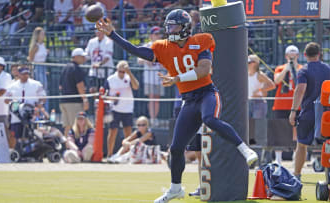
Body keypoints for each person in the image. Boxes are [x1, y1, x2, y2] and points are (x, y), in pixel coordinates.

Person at [96, 9, 258, 202]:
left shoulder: (201, 41)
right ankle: (175, 189)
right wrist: (113, 35)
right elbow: (137, 50)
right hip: (189, 100)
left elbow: (203, 69)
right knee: (175, 148)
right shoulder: (163, 47)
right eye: (169, 26)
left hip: (207, 93)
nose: (170, 29)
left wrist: (177, 78)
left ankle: (244, 149)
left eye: (174, 26)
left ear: (185, 28)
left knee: (209, 119)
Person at [289, 42, 330, 181]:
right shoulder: (328, 68)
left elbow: (300, 90)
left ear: (304, 55)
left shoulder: (303, 70)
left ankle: (297, 175)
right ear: (319, 54)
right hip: (326, 112)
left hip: (309, 111)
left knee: (301, 145)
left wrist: (293, 110)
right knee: (329, 144)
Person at [272, 45, 303, 165]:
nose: (292, 57)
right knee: (280, 131)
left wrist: (295, 67)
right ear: (286, 56)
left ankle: (297, 155)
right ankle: (278, 158)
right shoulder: (280, 68)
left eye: (294, 55)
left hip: (296, 105)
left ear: (298, 56)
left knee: (297, 131)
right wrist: (286, 69)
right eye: (290, 55)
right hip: (281, 104)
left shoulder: (301, 68)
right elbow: (277, 81)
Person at [104, 60, 139, 161]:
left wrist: (129, 73)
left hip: (128, 109)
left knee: (128, 134)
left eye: (124, 72)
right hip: (114, 109)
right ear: (117, 70)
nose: (122, 74)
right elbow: (105, 95)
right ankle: (109, 155)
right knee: (112, 132)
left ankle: (127, 155)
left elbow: (136, 86)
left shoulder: (128, 78)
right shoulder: (111, 79)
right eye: (120, 71)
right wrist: (112, 98)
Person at [5, 65, 46, 141]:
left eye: (27, 73)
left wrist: (39, 106)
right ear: (19, 74)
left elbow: (43, 98)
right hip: (16, 116)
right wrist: (12, 103)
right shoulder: (12, 86)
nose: (25, 75)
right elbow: (6, 100)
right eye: (23, 74)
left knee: (30, 137)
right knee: (15, 138)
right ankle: (17, 151)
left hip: (31, 115)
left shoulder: (36, 84)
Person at [137, 26, 165, 127]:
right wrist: (146, 60)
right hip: (149, 77)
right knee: (151, 97)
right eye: (156, 34)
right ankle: (152, 118)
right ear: (151, 36)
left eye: (159, 34)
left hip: (159, 77)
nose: (158, 36)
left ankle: (155, 118)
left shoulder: (163, 46)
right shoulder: (147, 46)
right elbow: (139, 60)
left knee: (156, 98)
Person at [59, 48, 89, 137]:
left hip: (63, 102)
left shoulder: (65, 68)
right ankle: (75, 148)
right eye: (82, 56)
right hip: (74, 102)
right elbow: (80, 85)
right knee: (77, 126)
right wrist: (85, 99)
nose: (84, 59)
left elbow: (60, 86)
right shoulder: (76, 69)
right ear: (76, 57)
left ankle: (68, 148)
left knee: (68, 127)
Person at [248, 54, 275, 119]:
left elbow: (272, 85)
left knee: (258, 125)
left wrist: (259, 90)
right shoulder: (245, 74)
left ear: (255, 63)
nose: (247, 64)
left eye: (249, 62)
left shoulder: (260, 75)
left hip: (258, 102)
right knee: (248, 125)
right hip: (248, 101)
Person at [28, 27, 48, 100]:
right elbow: (30, 59)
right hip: (37, 67)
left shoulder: (43, 45)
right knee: (39, 88)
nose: (43, 35)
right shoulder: (35, 46)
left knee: (45, 88)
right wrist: (31, 72)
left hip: (43, 67)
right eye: (42, 34)